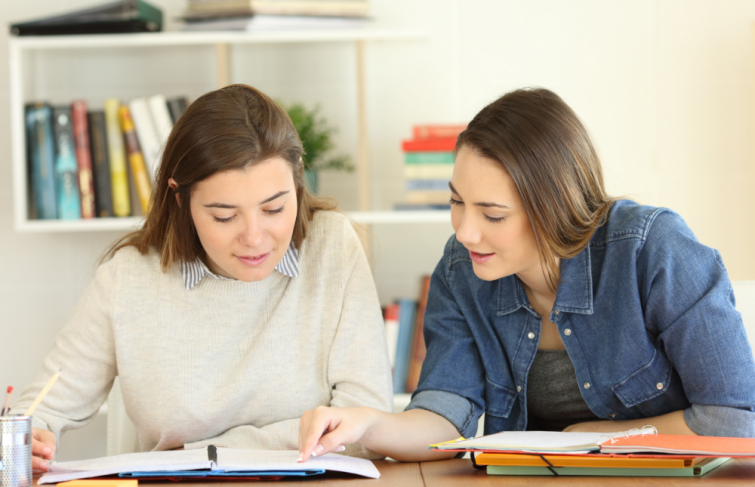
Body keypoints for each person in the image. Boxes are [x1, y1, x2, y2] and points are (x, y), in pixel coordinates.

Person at [298, 87, 755, 462]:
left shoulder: (654, 251)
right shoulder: (461, 273)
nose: (466, 231)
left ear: (553, 207)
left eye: (493, 215)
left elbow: (735, 419)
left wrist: (595, 436)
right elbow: (445, 414)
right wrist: (369, 424)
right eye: (457, 201)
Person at [12, 84, 392, 471]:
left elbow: (366, 423)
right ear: (180, 199)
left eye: (274, 208)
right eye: (225, 216)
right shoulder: (127, 279)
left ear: (297, 184)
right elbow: (43, 407)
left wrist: (200, 455)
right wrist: (30, 434)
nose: (255, 237)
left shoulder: (331, 247)